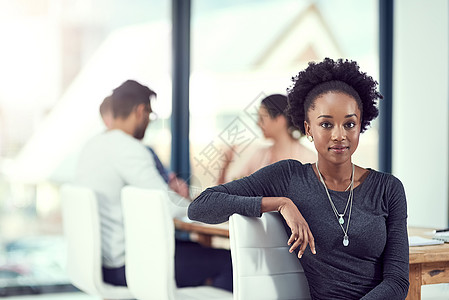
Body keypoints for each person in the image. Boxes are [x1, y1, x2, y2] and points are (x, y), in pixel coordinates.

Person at [189, 58, 409, 299]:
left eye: (349, 124)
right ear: (308, 129)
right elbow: (201, 206)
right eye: (326, 124)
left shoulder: (389, 189)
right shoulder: (288, 177)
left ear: (360, 126)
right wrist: (280, 203)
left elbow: (397, 281)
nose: (339, 135)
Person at [76, 80, 232, 291]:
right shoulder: (129, 149)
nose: (149, 122)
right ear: (140, 111)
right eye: (150, 115)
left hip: (100, 263)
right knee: (229, 262)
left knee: (197, 253)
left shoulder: (91, 146)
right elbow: (169, 207)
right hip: (129, 266)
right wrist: (212, 205)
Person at [217, 94, 316, 184]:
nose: (258, 124)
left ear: (279, 120)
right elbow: (231, 190)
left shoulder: (308, 160)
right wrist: (226, 164)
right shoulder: (259, 155)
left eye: (262, 118)